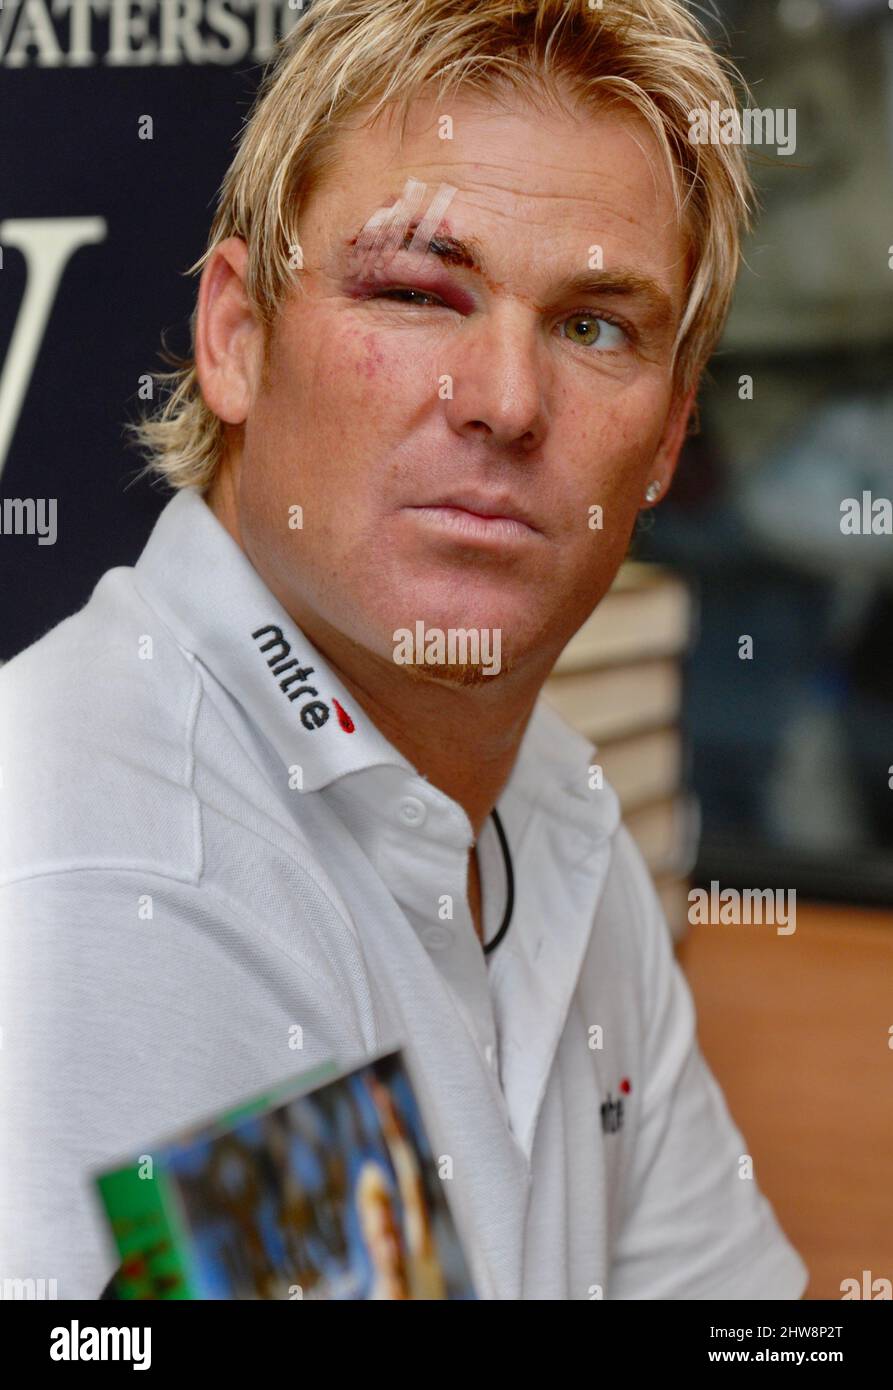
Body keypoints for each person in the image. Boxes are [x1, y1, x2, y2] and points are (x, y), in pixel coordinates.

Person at [0, 0, 809, 1300]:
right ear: (236, 338)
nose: (503, 399)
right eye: (419, 292)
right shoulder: (126, 878)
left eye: (595, 324)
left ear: (665, 439)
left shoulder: (546, 807)